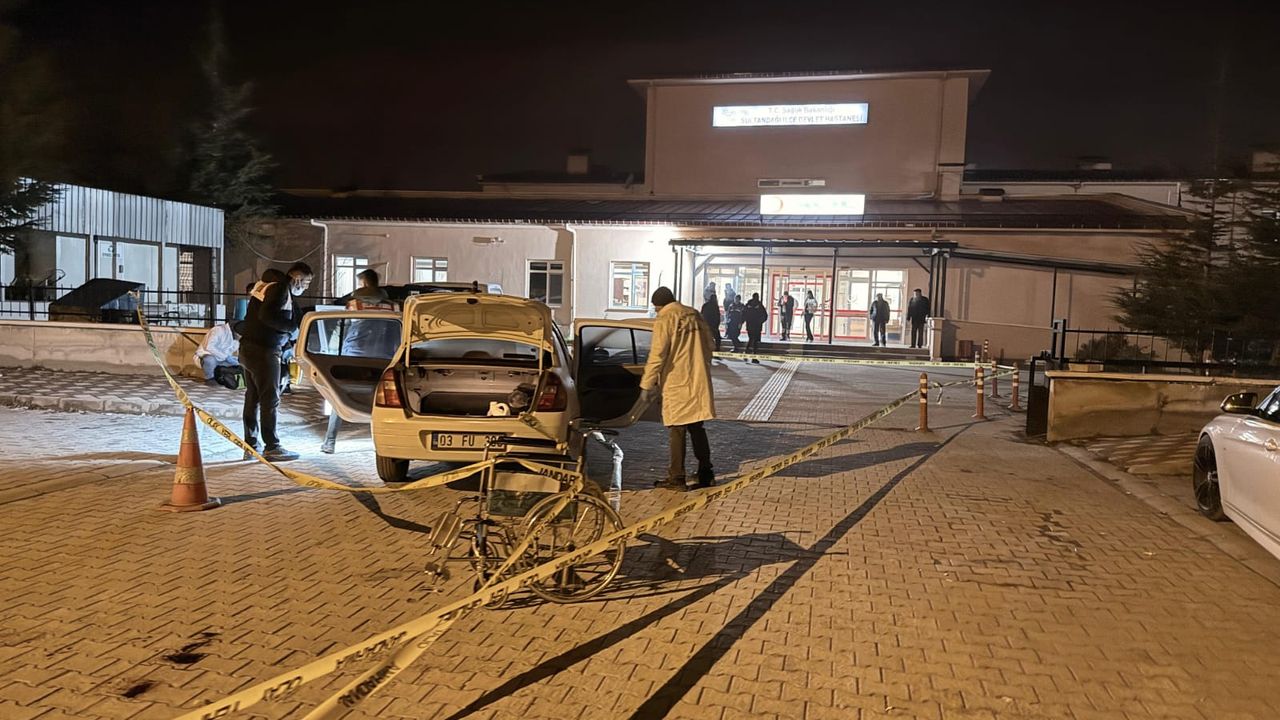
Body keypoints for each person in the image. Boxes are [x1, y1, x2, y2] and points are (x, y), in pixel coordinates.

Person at [639, 286, 716, 491]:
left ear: (659, 305)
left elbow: (657, 355)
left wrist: (647, 384)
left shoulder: (666, 318)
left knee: (677, 430)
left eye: (656, 308)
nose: (656, 311)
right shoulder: (694, 314)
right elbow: (711, 345)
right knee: (697, 428)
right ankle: (706, 473)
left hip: (677, 382)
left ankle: (677, 477)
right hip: (698, 380)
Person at [239, 262, 314, 462]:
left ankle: (251, 445)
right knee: (269, 400)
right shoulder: (280, 288)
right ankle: (272, 446)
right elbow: (267, 316)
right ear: (297, 278)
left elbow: (263, 315)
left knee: (253, 398)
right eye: (306, 283)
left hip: (249, 348)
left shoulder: (266, 284)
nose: (306, 287)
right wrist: (291, 328)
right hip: (264, 351)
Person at [194, 321, 240, 386]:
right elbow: (209, 347)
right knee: (210, 359)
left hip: (222, 361)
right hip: (206, 357)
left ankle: (223, 378)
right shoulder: (218, 330)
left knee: (239, 364)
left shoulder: (236, 340)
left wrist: (234, 360)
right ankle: (210, 379)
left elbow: (230, 353)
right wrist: (226, 357)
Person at [743, 292, 767, 363]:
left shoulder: (748, 305)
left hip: (750, 325)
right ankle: (753, 357)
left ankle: (746, 353)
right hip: (756, 326)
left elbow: (743, 314)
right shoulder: (759, 305)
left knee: (751, 340)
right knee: (755, 342)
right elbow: (765, 315)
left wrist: (744, 321)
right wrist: (760, 321)